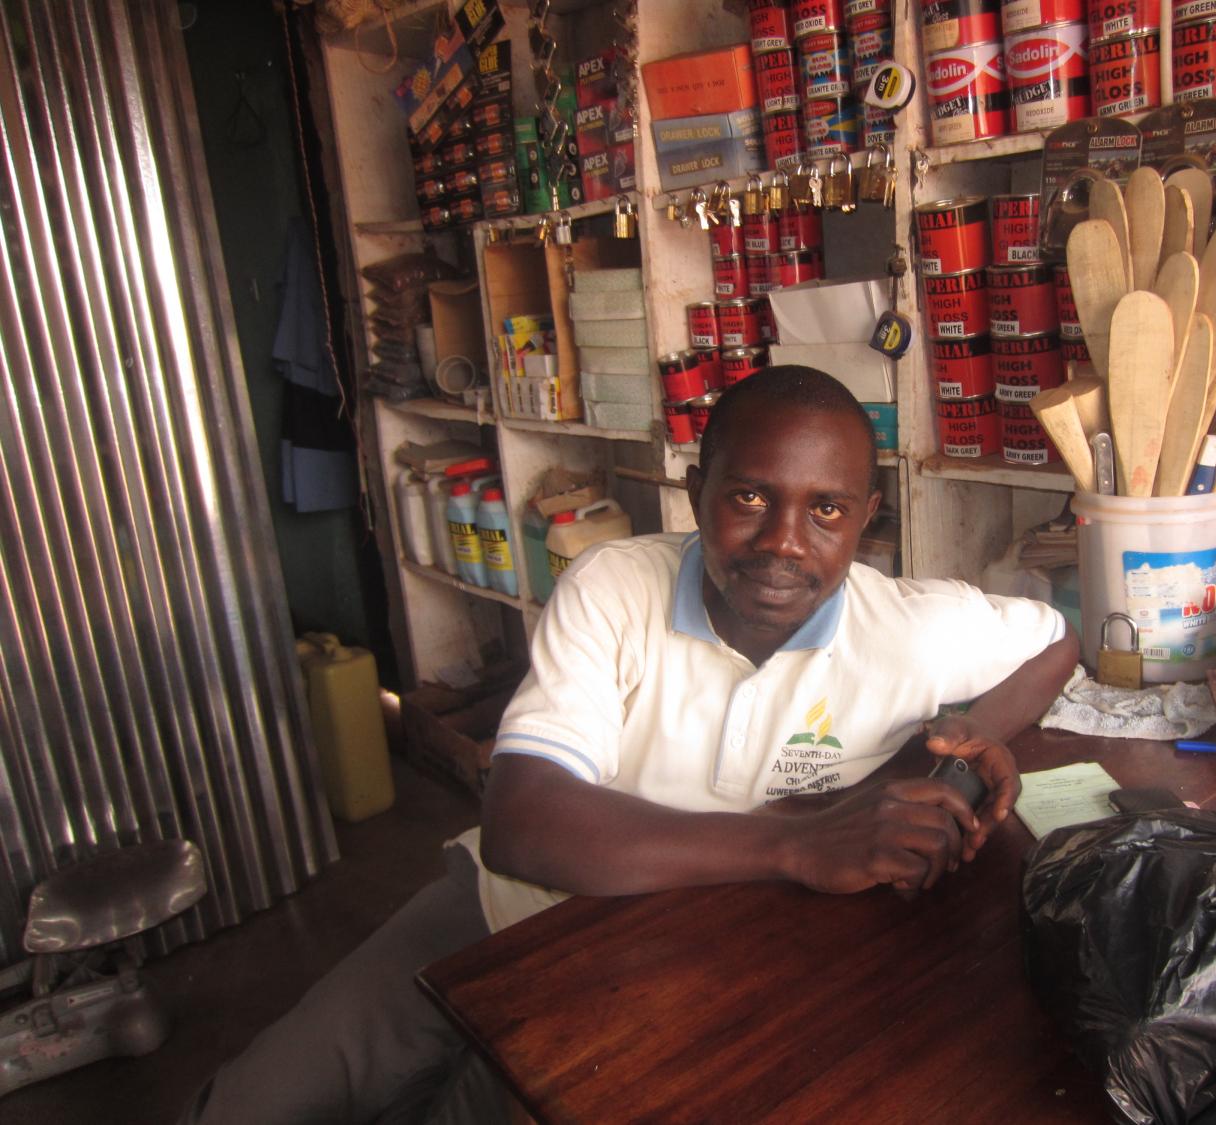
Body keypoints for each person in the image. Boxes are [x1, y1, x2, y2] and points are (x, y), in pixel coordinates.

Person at [183, 366, 1077, 1125]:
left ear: (866, 518)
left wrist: (944, 756)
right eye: (751, 496)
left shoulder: (907, 627)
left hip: (671, 961)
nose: (782, 543)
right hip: (509, 908)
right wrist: (802, 840)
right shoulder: (613, 586)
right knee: (261, 1098)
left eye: (827, 510)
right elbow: (525, 824)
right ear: (696, 492)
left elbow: (1054, 641)